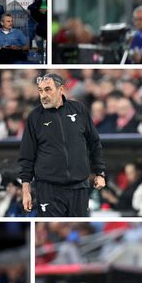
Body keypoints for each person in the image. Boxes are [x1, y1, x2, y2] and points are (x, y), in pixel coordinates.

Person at [19, 73, 106, 216]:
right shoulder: (34, 117)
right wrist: (26, 190)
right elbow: (27, 155)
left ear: (60, 90)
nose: (43, 95)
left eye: (48, 89)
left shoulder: (79, 110)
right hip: (49, 189)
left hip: (79, 187)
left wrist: (100, 173)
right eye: (40, 90)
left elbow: (94, 143)